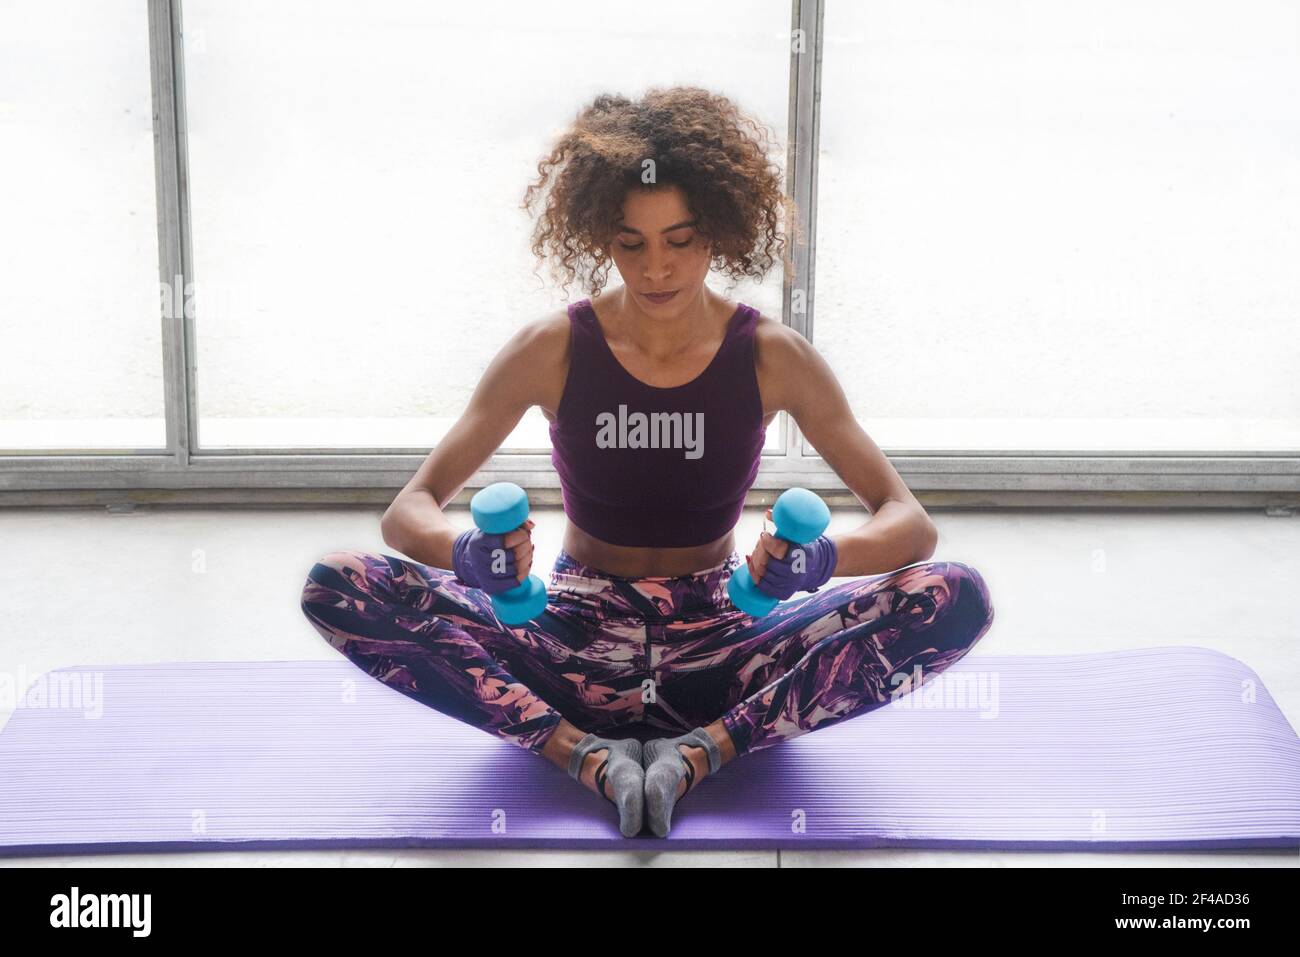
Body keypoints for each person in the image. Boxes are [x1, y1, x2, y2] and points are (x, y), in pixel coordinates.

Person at [300, 86, 995, 838]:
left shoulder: (771, 356)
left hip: (726, 646)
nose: (656, 267)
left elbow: (909, 524)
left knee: (955, 596)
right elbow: (410, 509)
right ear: (600, 234)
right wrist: (467, 554)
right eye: (632, 243)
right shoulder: (553, 347)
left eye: (681, 239)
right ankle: (585, 754)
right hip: (566, 638)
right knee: (338, 582)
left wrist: (820, 559)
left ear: (720, 233)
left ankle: (700, 753)